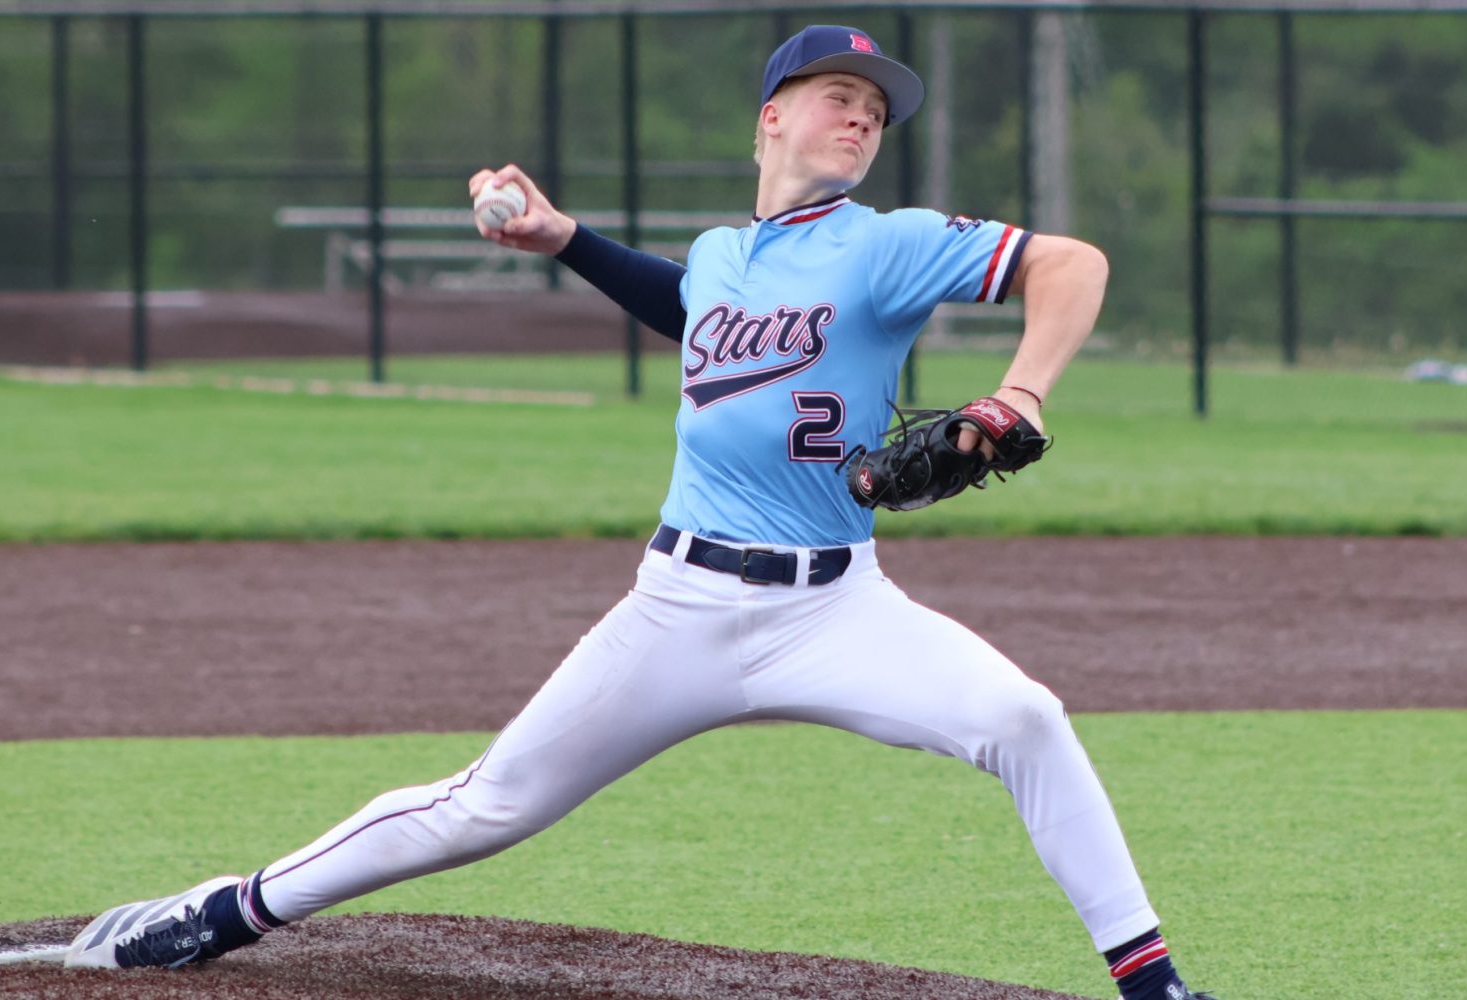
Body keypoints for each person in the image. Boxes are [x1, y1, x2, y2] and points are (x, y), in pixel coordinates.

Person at [66, 25, 1215, 1000]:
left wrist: (1020, 392)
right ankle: (229, 908)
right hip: (680, 607)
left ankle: (1154, 985)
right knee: (485, 806)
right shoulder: (724, 257)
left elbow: (1073, 264)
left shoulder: (887, 244)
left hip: (839, 607)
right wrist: (561, 239)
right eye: (838, 96)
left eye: (875, 110)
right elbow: (689, 302)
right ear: (772, 118)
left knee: (1024, 717)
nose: (862, 119)